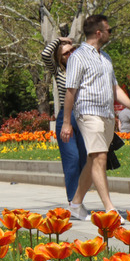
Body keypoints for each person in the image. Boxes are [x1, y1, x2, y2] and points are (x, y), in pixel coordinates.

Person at [60, 15, 130, 219]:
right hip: (88, 113)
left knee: (94, 160)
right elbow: (70, 91)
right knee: (100, 157)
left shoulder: (106, 57)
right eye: (109, 30)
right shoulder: (78, 56)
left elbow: (115, 88)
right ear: (99, 32)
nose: (111, 33)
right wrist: (66, 122)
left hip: (107, 115)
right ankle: (110, 209)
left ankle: (75, 205)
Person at [41, 35, 86, 204]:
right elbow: (45, 54)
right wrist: (59, 40)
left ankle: (78, 200)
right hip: (66, 118)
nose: (71, 54)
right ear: (60, 58)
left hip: (84, 117)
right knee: (72, 159)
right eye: (66, 53)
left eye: (73, 50)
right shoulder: (59, 71)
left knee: (85, 161)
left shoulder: (83, 68)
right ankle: (73, 202)